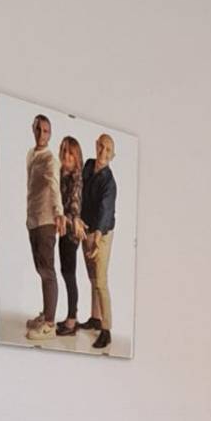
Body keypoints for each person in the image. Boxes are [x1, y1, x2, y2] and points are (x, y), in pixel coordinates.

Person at [79, 133, 118, 352]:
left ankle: (106, 329)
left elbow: (105, 211)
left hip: (101, 234)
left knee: (101, 281)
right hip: (85, 229)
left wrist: (96, 237)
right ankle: (95, 318)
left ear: (113, 156)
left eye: (108, 150)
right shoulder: (88, 165)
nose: (103, 152)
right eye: (101, 146)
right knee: (92, 277)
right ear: (96, 145)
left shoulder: (109, 183)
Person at [23, 113, 60, 339]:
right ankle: (46, 313)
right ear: (33, 128)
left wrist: (59, 214)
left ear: (50, 134)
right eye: (38, 129)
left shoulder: (50, 160)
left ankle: (50, 324)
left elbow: (54, 187)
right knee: (40, 269)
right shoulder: (31, 154)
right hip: (33, 220)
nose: (41, 134)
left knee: (48, 272)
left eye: (46, 131)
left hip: (46, 221)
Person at [54, 135, 84, 335]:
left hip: (72, 231)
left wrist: (68, 218)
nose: (66, 156)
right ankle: (70, 316)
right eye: (64, 151)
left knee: (69, 274)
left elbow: (74, 204)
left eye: (71, 153)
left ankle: (72, 321)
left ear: (76, 157)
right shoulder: (61, 173)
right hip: (63, 229)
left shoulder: (75, 178)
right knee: (65, 272)